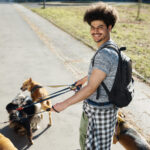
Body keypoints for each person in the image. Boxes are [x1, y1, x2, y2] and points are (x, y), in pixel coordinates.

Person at [52, 2, 119, 150]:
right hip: (105, 109)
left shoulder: (105, 54)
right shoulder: (111, 46)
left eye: (100, 27)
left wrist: (63, 105)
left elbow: (90, 88)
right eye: (92, 27)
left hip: (98, 111)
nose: (95, 31)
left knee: (90, 144)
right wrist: (82, 80)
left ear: (109, 27)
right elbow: (100, 75)